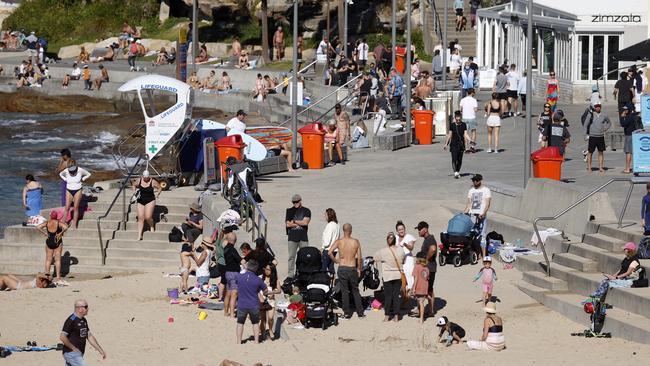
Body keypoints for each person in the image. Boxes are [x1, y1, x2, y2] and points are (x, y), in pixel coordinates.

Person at [328, 223, 364, 319]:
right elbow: (359, 258)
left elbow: (329, 252)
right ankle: (360, 312)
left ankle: (347, 313)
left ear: (343, 231)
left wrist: (336, 261)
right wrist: (359, 269)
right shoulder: (356, 241)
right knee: (355, 290)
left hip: (342, 267)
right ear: (351, 230)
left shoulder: (339, 241)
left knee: (344, 291)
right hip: (352, 267)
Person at [60, 299, 107, 365]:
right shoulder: (71, 320)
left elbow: (89, 336)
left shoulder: (83, 320)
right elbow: (62, 337)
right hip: (71, 353)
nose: (88, 308)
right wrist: (74, 348)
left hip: (78, 353)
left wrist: (100, 350)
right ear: (79, 308)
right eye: (86, 307)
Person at [373, 232, 405, 322]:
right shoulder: (401, 250)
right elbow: (404, 260)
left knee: (388, 296)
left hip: (387, 276)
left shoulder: (383, 251)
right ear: (395, 241)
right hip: (398, 275)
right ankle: (396, 316)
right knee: (396, 296)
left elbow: (374, 257)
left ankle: (387, 316)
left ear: (387, 241)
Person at [236, 260, 267, 344]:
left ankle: (239, 342)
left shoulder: (239, 277)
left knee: (240, 323)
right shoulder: (258, 280)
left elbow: (236, 285)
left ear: (247, 266)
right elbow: (265, 290)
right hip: (253, 304)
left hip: (242, 304)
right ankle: (256, 341)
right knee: (255, 323)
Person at [37, 211, 68, 283]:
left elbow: (38, 227)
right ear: (57, 216)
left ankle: (47, 275)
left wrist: (44, 233)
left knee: (48, 259)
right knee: (58, 260)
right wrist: (60, 233)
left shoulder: (47, 222)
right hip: (57, 241)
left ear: (50, 216)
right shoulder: (59, 223)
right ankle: (58, 277)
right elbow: (66, 227)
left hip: (49, 241)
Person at [465, 174, 491, 257]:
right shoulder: (471, 191)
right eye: (473, 180)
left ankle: (483, 256)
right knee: (473, 235)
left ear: (480, 180)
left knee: (482, 236)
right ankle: (477, 253)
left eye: (476, 180)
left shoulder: (486, 190)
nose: (474, 182)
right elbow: (469, 204)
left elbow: (487, 204)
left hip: (481, 216)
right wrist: (464, 213)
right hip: (472, 215)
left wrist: (483, 213)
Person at [59, 161, 91, 230]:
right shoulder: (66, 170)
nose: (72, 172)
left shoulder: (80, 170)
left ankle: (74, 224)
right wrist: (65, 179)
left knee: (76, 207)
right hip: (69, 190)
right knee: (67, 207)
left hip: (78, 190)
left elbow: (88, 174)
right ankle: (63, 223)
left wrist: (83, 179)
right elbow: (60, 174)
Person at [285, 194, 310, 276]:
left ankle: (303, 273)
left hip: (303, 237)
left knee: (304, 256)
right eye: (294, 202)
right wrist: (299, 223)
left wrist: (294, 222)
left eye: (297, 201)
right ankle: (290, 275)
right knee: (291, 257)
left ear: (300, 201)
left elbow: (305, 222)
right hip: (292, 238)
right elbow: (288, 224)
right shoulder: (289, 210)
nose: (295, 203)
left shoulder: (306, 210)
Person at [416, 221, 437, 317]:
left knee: (427, 290)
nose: (419, 231)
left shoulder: (430, 239)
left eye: (420, 229)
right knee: (429, 290)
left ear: (425, 229)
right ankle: (429, 310)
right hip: (430, 268)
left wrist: (425, 261)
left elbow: (433, 249)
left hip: (429, 269)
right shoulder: (427, 239)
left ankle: (429, 311)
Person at [132, 170, 160, 240]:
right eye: (145, 177)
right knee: (140, 217)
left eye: (147, 177)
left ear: (149, 176)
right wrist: (134, 192)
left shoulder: (153, 181)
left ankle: (151, 225)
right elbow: (133, 185)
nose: (146, 179)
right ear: (143, 176)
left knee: (148, 217)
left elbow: (160, 188)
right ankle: (139, 235)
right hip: (140, 200)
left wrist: (157, 194)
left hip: (150, 200)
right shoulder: (139, 180)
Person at [584, 103, 611, 173]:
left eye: (599, 106)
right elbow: (585, 125)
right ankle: (589, 167)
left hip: (601, 136)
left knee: (601, 152)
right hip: (592, 136)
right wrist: (585, 135)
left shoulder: (604, 115)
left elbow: (609, 123)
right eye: (596, 107)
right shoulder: (591, 115)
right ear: (594, 107)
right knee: (590, 152)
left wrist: (605, 128)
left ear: (600, 107)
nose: (598, 108)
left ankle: (601, 167)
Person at [444, 111, 471, 178]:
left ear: (461, 118)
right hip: (453, 144)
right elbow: (449, 135)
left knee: (459, 160)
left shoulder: (464, 125)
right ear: (455, 118)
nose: (458, 121)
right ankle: (455, 172)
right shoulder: (452, 125)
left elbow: (465, 134)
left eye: (459, 119)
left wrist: (470, 140)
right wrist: (446, 144)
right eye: (457, 119)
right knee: (454, 158)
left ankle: (457, 171)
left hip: (461, 144)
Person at [259, 263, 280, 340]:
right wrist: (260, 296)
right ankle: (263, 333)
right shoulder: (261, 278)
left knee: (270, 317)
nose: (266, 271)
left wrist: (272, 292)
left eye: (269, 270)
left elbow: (279, 290)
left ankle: (270, 330)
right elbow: (257, 288)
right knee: (263, 318)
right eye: (266, 269)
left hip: (271, 300)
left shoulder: (275, 279)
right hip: (262, 300)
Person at [224, 234, 242, 318]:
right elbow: (239, 260)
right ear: (235, 240)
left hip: (227, 272)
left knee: (228, 293)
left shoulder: (226, 248)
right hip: (234, 273)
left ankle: (225, 312)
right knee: (234, 294)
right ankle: (231, 314)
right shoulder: (232, 249)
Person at [395, 220, 416, 291]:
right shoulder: (395, 237)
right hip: (398, 260)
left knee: (409, 276)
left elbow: (411, 248)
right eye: (399, 230)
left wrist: (405, 244)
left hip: (408, 260)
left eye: (402, 229)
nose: (401, 231)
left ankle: (411, 291)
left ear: (405, 229)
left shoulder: (409, 237)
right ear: (397, 231)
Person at [411, 252, 430, 323]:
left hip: (418, 287)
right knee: (419, 301)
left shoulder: (417, 266)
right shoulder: (426, 268)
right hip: (424, 288)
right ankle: (420, 314)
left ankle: (421, 318)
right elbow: (427, 279)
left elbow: (415, 278)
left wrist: (414, 288)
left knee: (421, 302)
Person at [321, 208, 340, 275]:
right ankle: (332, 281)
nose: (325, 217)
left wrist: (322, 248)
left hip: (328, 249)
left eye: (326, 215)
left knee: (323, 268)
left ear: (329, 215)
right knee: (331, 267)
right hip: (334, 250)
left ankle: (323, 282)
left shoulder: (330, 225)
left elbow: (327, 241)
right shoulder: (337, 225)